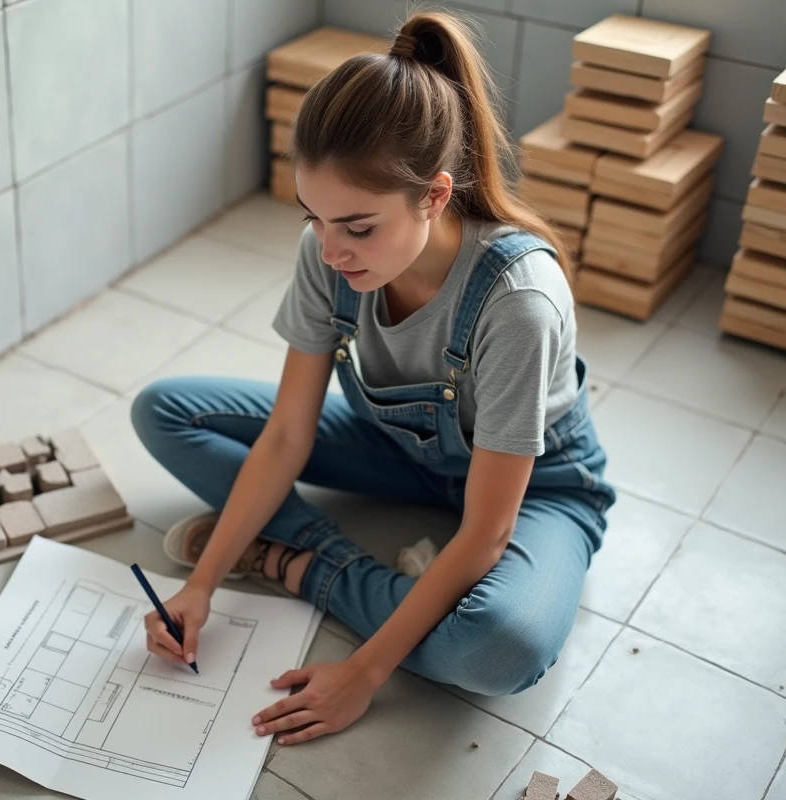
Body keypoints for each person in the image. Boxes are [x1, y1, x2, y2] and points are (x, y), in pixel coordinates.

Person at [130, 10, 616, 747]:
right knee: (164, 411)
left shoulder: (521, 304)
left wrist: (363, 670)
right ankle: (313, 565)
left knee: (496, 647)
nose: (331, 252)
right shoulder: (328, 250)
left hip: (536, 486)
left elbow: (488, 531)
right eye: (314, 219)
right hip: (398, 449)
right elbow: (290, 432)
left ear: (435, 196)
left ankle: (300, 566)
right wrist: (199, 589)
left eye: (358, 227)